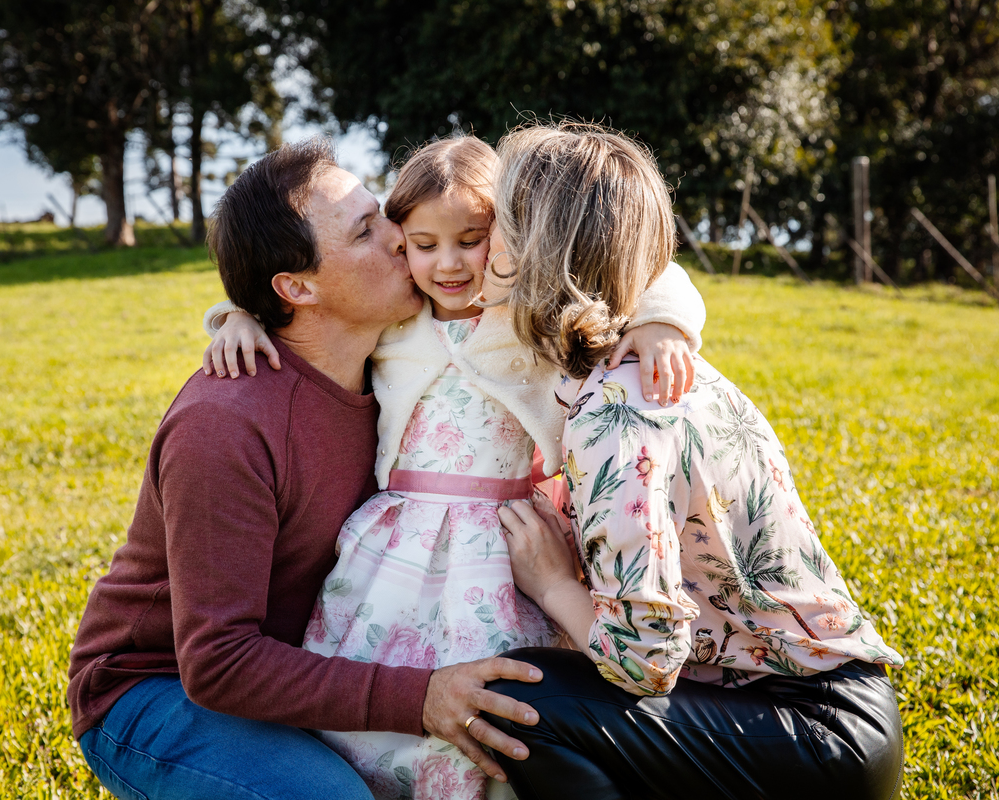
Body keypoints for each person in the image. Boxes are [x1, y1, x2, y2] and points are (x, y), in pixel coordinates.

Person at [199, 134, 707, 799]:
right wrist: (234, 317)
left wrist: (664, 322)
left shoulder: (524, 315)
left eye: (471, 239)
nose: (447, 264)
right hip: (397, 549)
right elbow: (305, 303)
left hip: (503, 544)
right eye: (422, 244)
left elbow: (644, 264)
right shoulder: (394, 321)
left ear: (507, 235)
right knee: (385, 686)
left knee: (504, 693)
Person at [66, 138, 552, 800]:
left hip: (313, 655)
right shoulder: (225, 424)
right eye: (364, 231)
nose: (399, 237)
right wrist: (418, 697)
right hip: (158, 688)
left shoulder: (395, 366)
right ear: (297, 287)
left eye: (381, 212)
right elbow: (218, 663)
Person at [480, 122, 905, 799]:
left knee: (515, 700)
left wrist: (551, 582)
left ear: (531, 247)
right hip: (802, 713)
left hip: (815, 733)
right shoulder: (649, 363)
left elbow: (644, 661)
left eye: (495, 220)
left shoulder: (617, 412)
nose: (481, 239)